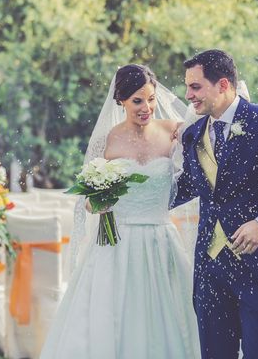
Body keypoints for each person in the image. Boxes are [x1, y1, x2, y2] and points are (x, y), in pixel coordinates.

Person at [40, 64, 200, 358]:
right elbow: (88, 202)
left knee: (165, 314)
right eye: (137, 100)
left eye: (151, 99)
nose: (147, 107)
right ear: (121, 101)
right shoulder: (107, 139)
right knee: (112, 314)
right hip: (115, 244)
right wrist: (100, 200)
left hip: (160, 240)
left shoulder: (173, 131)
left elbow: (206, 127)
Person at [173, 49, 258, 358]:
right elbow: (189, 188)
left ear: (222, 85)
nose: (188, 95)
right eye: (187, 86)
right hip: (210, 271)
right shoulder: (193, 135)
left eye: (195, 87)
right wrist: (126, 188)